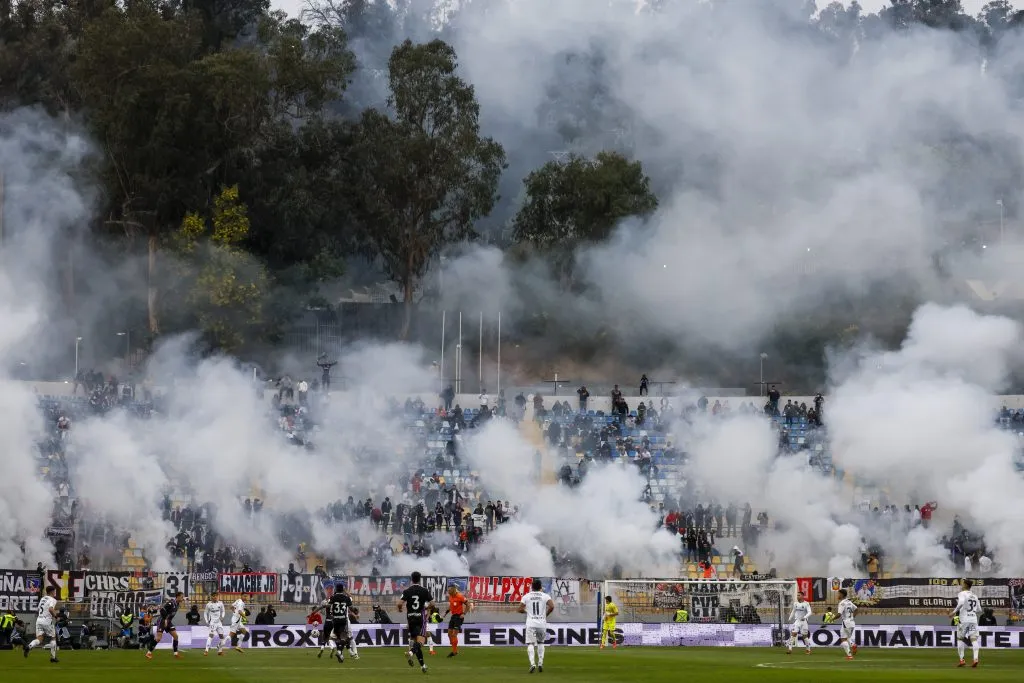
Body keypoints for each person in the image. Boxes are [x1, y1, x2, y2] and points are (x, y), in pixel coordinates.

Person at [398, 571, 434, 673]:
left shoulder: (407, 591)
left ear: (411, 579)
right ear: (419, 579)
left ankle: (423, 666)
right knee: (421, 642)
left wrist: (400, 609)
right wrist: (426, 607)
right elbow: (432, 604)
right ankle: (410, 652)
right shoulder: (424, 590)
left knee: (415, 642)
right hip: (420, 618)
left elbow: (399, 604)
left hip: (410, 618)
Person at [518, 578, 554, 673]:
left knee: (530, 644)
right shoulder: (545, 596)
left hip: (530, 623)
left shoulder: (526, 596)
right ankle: (540, 663)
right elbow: (552, 606)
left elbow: (519, 609)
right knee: (541, 643)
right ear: (540, 587)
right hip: (541, 623)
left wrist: (527, 611)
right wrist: (545, 615)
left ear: (532, 587)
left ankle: (532, 664)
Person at [23, 585, 59, 663]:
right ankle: (53, 658)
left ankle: (29, 646)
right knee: (53, 638)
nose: (55, 592)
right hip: (47, 620)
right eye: (54, 591)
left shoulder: (42, 599)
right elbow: (50, 609)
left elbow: (39, 609)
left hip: (39, 620)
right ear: (52, 591)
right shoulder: (53, 600)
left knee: (39, 639)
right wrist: (56, 617)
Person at [951, 579, 982, 668]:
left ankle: (962, 660)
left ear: (965, 585)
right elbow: (979, 610)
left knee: (960, 639)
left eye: (963, 584)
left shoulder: (962, 594)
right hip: (973, 619)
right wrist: (971, 611)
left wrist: (953, 612)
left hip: (964, 619)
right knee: (974, 639)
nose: (961, 585)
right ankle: (975, 659)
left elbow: (960, 603)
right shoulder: (975, 596)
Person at [326, 582, 357, 664]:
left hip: (335, 620)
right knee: (344, 637)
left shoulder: (333, 597)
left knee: (337, 637)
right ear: (343, 589)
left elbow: (328, 606)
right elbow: (352, 608)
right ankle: (340, 652)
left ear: (336, 589)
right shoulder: (346, 598)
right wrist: (354, 610)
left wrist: (329, 610)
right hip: (343, 619)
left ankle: (341, 653)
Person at [146, 591, 184, 659]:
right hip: (162, 620)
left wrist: (167, 620)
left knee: (176, 636)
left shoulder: (177, 604)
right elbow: (162, 610)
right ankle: (148, 653)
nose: (182, 598)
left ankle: (176, 653)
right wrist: (165, 619)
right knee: (158, 638)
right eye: (181, 597)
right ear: (177, 597)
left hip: (168, 621)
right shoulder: (171, 603)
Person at [443, 585, 469, 658]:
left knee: (454, 634)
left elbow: (468, 605)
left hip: (459, 617)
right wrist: (445, 613)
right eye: (448, 590)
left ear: (454, 590)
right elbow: (451, 606)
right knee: (449, 634)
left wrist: (464, 613)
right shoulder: (450, 596)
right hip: (453, 616)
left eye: (449, 590)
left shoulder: (460, 596)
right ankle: (454, 647)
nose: (448, 591)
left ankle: (454, 651)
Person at [836, 589, 858, 660]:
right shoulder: (849, 602)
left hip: (846, 622)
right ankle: (853, 645)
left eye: (838, 594)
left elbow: (839, 614)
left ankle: (849, 655)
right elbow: (856, 609)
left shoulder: (842, 603)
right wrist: (852, 617)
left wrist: (832, 619)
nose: (838, 595)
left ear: (842, 594)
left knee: (843, 639)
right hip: (852, 622)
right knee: (847, 637)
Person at [204, 590, 227, 656]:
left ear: (217, 596)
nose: (215, 597)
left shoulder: (220, 603)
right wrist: (207, 621)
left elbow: (223, 611)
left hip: (219, 622)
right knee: (211, 635)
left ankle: (220, 651)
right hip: (212, 623)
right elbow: (205, 613)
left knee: (222, 637)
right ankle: (206, 650)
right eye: (213, 596)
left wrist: (222, 617)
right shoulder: (208, 604)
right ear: (211, 597)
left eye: (216, 596)